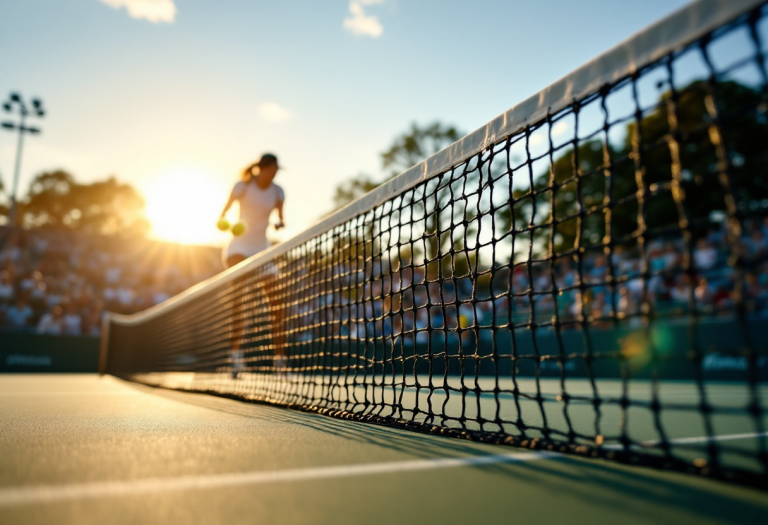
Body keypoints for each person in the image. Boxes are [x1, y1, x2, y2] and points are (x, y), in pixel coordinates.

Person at [219, 153, 286, 378]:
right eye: (273, 169)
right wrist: (223, 220)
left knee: (278, 305)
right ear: (262, 168)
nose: (275, 173)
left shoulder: (278, 192)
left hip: (262, 251)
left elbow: (280, 217)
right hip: (238, 248)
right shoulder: (242, 187)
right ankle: (236, 357)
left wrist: (280, 223)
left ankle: (280, 361)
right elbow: (224, 211)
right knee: (239, 303)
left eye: (277, 171)